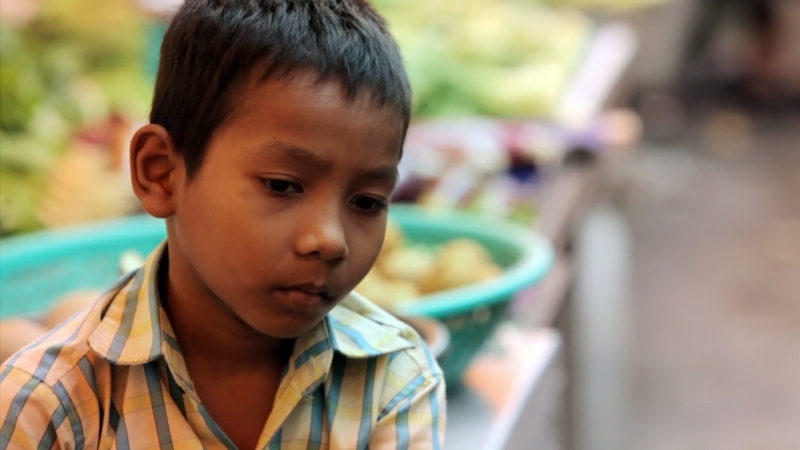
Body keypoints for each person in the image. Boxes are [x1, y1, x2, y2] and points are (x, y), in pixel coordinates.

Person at [0, 1, 446, 448]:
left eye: (367, 202)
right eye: (281, 185)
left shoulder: (394, 382)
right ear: (161, 173)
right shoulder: (47, 406)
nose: (330, 240)